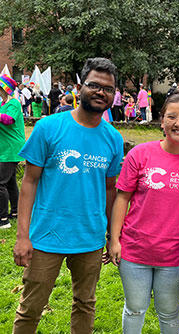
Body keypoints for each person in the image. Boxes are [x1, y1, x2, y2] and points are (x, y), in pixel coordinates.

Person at [12, 57, 124, 334]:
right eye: (94, 85)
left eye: (108, 89)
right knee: (30, 309)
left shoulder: (113, 138)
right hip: (46, 237)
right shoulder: (49, 128)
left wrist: (112, 236)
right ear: (79, 86)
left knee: (85, 303)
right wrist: (22, 236)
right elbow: (29, 183)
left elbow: (111, 189)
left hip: (90, 237)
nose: (101, 92)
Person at [108, 92, 179, 333]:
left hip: (176, 254)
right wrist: (114, 239)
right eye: (172, 116)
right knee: (135, 308)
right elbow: (122, 198)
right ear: (161, 120)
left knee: (169, 311)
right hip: (135, 250)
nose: (178, 123)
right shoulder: (140, 154)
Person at [0, 74, 25, 228]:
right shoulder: (3, 104)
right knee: (9, 182)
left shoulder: (14, 103)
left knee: (0, 183)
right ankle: (15, 211)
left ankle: (3, 220)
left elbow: (9, 120)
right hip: (5, 147)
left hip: (10, 148)